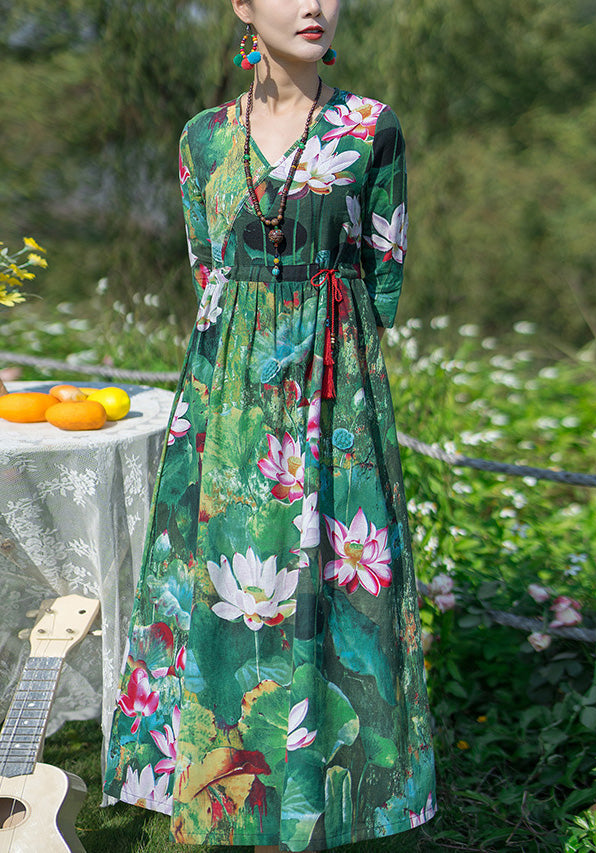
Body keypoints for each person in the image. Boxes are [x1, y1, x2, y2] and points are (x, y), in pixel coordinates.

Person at [102, 0, 436, 849]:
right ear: (243, 7)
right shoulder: (204, 138)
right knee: (225, 576)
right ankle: (227, 797)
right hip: (229, 395)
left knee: (333, 580)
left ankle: (329, 800)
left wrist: (326, 355)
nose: (315, 6)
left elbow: (384, 277)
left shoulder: (371, 129)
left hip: (335, 391)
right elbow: (207, 265)